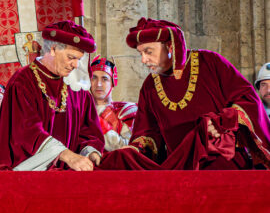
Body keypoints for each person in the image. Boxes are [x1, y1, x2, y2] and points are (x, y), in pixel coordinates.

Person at [101, 18, 270, 170]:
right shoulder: (149, 86)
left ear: (170, 46)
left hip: (221, 158)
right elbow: (147, 133)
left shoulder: (211, 62)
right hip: (179, 165)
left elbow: (248, 99)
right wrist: (136, 149)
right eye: (141, 53)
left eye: (148, 51)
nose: (143, 60)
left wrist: (224, 120)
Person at [0, 20, 104, 171]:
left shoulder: (77, 89)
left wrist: (91, 152)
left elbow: (89, 131)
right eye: (71, 57)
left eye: (79, 60)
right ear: (53, 49)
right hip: (27, 174)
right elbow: (26, 132)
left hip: (69, 175)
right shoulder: (22, 82)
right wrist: (67, 156)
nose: (75, 65)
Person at [89, 56, 137, 151]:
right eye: (94, 78)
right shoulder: (80, 109)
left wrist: (98, 122)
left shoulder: (125, 111)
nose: (98, 84)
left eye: (104, 79)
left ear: (113, 82)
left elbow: (127, 149)